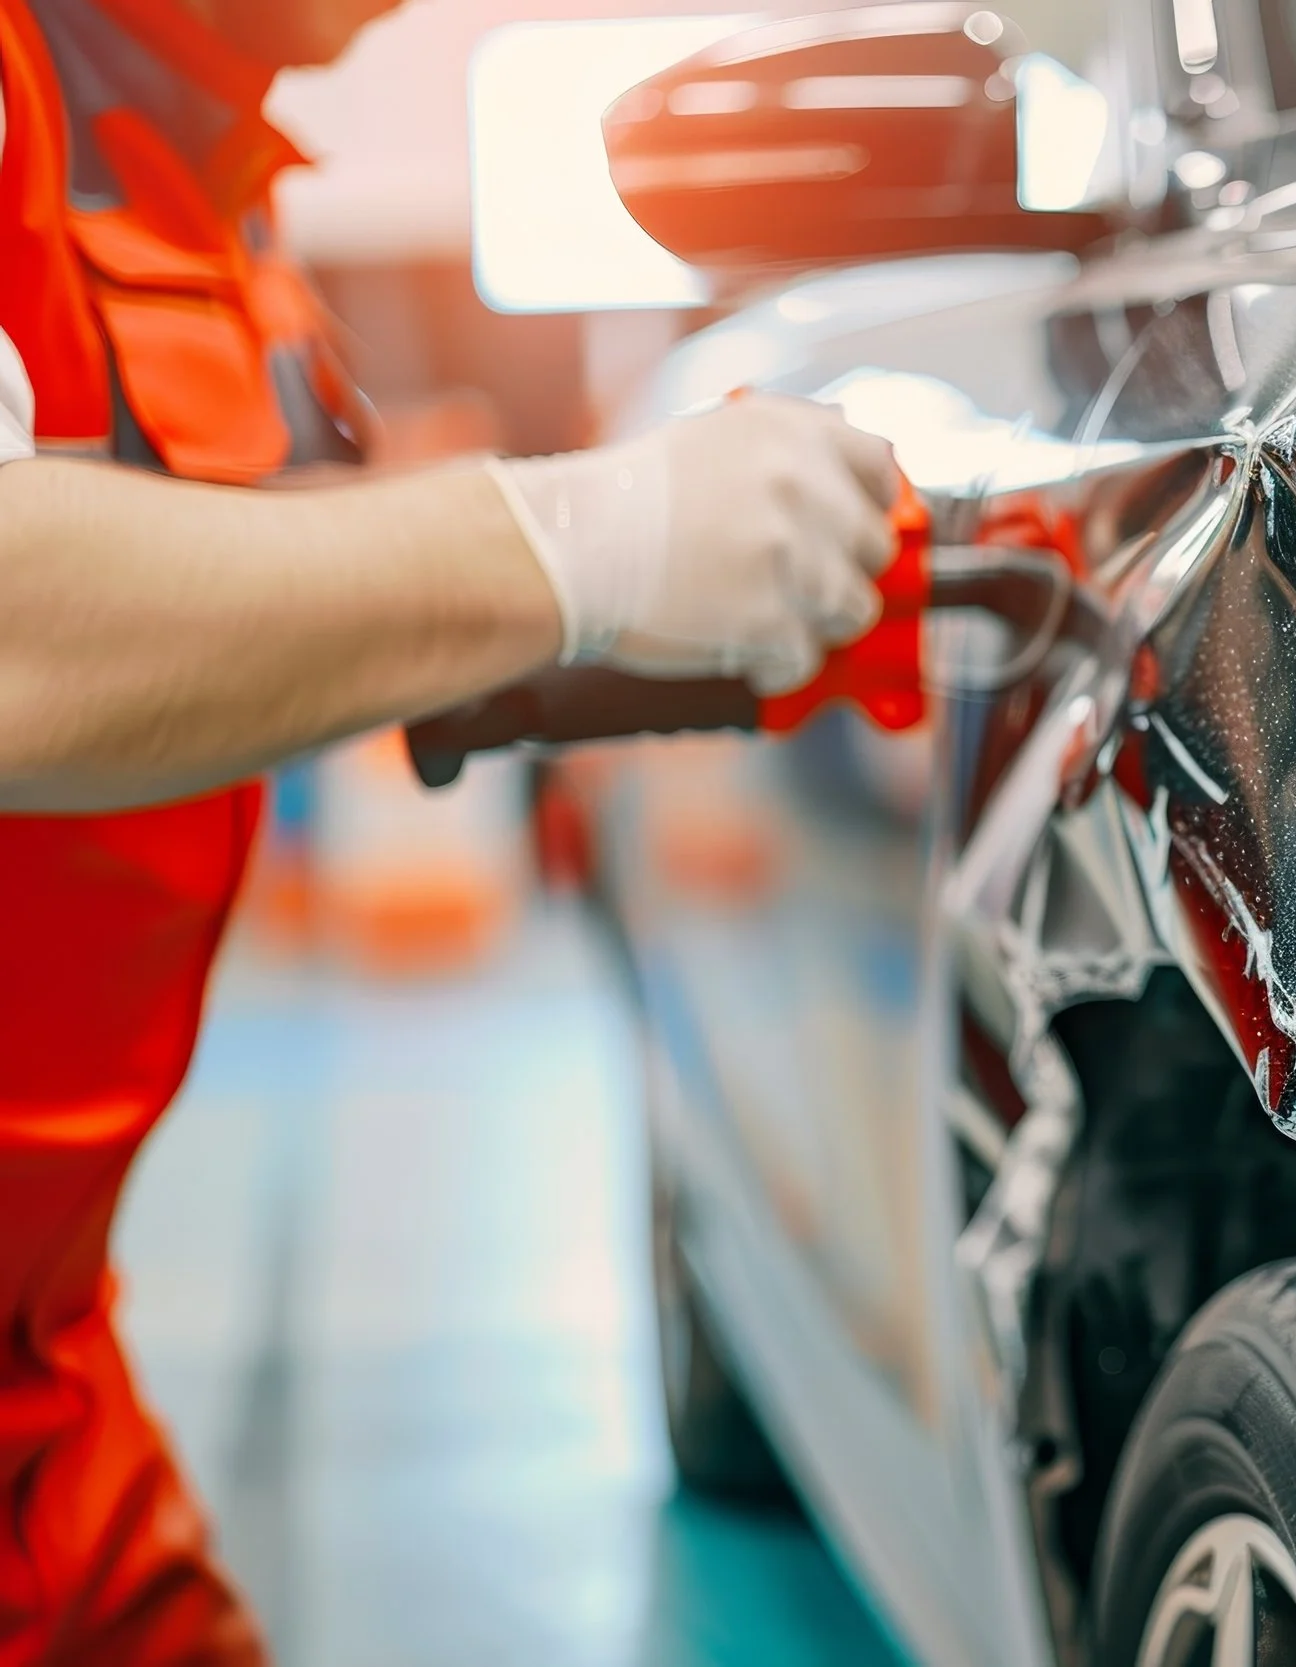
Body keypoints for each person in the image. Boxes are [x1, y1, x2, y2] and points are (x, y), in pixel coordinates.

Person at [0, 1, 899, 1661]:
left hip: (42, 1377)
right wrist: (583, 545)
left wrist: (612, 638)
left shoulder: (194, 140)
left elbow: (228, 599)